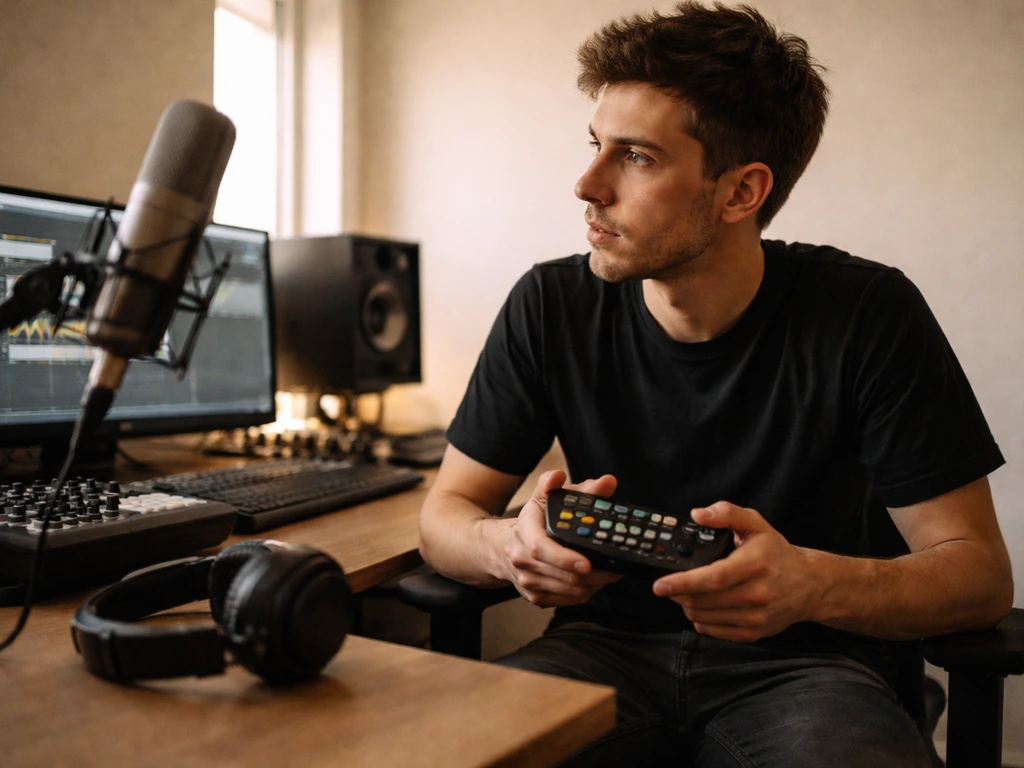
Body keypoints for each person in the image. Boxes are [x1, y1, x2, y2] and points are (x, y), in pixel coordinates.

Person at [418, 3, 1013, 766]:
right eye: (596, 145)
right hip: (600, 653)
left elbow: (978, 574)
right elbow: (445, 514)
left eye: (635, 157)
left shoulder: (867, 312)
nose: (586, 184)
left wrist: (811, 585)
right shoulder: (549, 304)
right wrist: (509, 547)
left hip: (812, 668)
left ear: (740, 193)